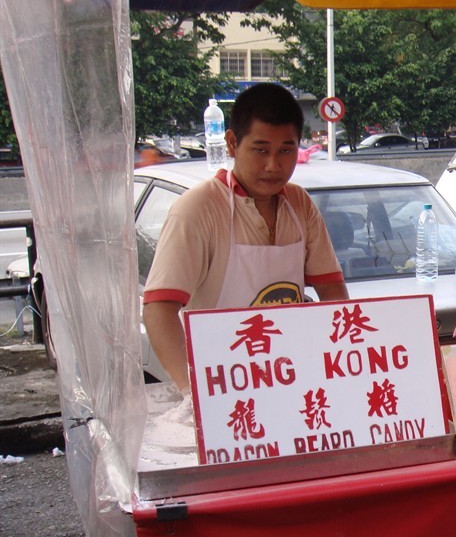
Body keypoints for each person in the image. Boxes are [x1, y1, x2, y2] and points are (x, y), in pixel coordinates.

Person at [143, 83, 348, 391]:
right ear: (231, 143)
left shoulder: (299, 204)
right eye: (260, 150)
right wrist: (194, 390)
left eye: (286, 151)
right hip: (222, 382)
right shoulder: (198, 209)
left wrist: (341, 364)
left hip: (291, 378)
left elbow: (332, 291)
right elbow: (159, 309)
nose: (273, 165)